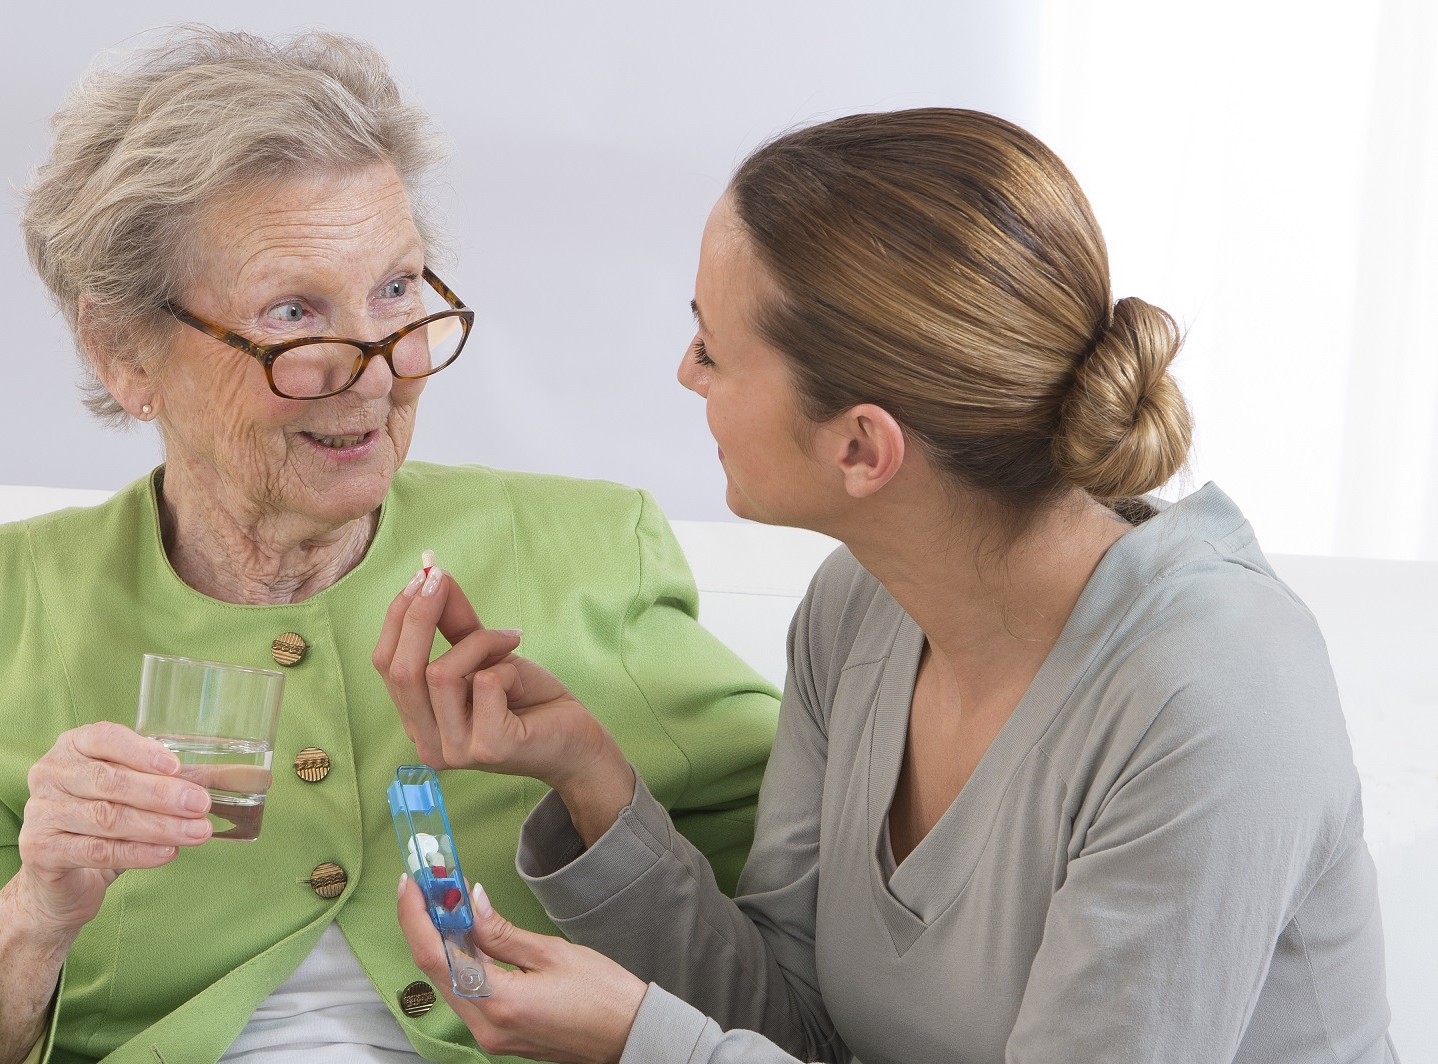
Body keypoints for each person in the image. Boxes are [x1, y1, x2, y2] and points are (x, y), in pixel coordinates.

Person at [0, 28, 778, 1064]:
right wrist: (32, 914)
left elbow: (792, 964)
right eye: (294, 310)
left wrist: (602, 794)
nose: (378, 368)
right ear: (121, 350)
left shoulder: (591, 553)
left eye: (399, 289)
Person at [382, 109, 1396, 1063]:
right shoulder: (859, 607)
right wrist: (589, 774)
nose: (688, 371)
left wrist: (641, 1040)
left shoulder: (1210, 694)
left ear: (862, 446)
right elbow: (793, 1021)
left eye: (715, 345)